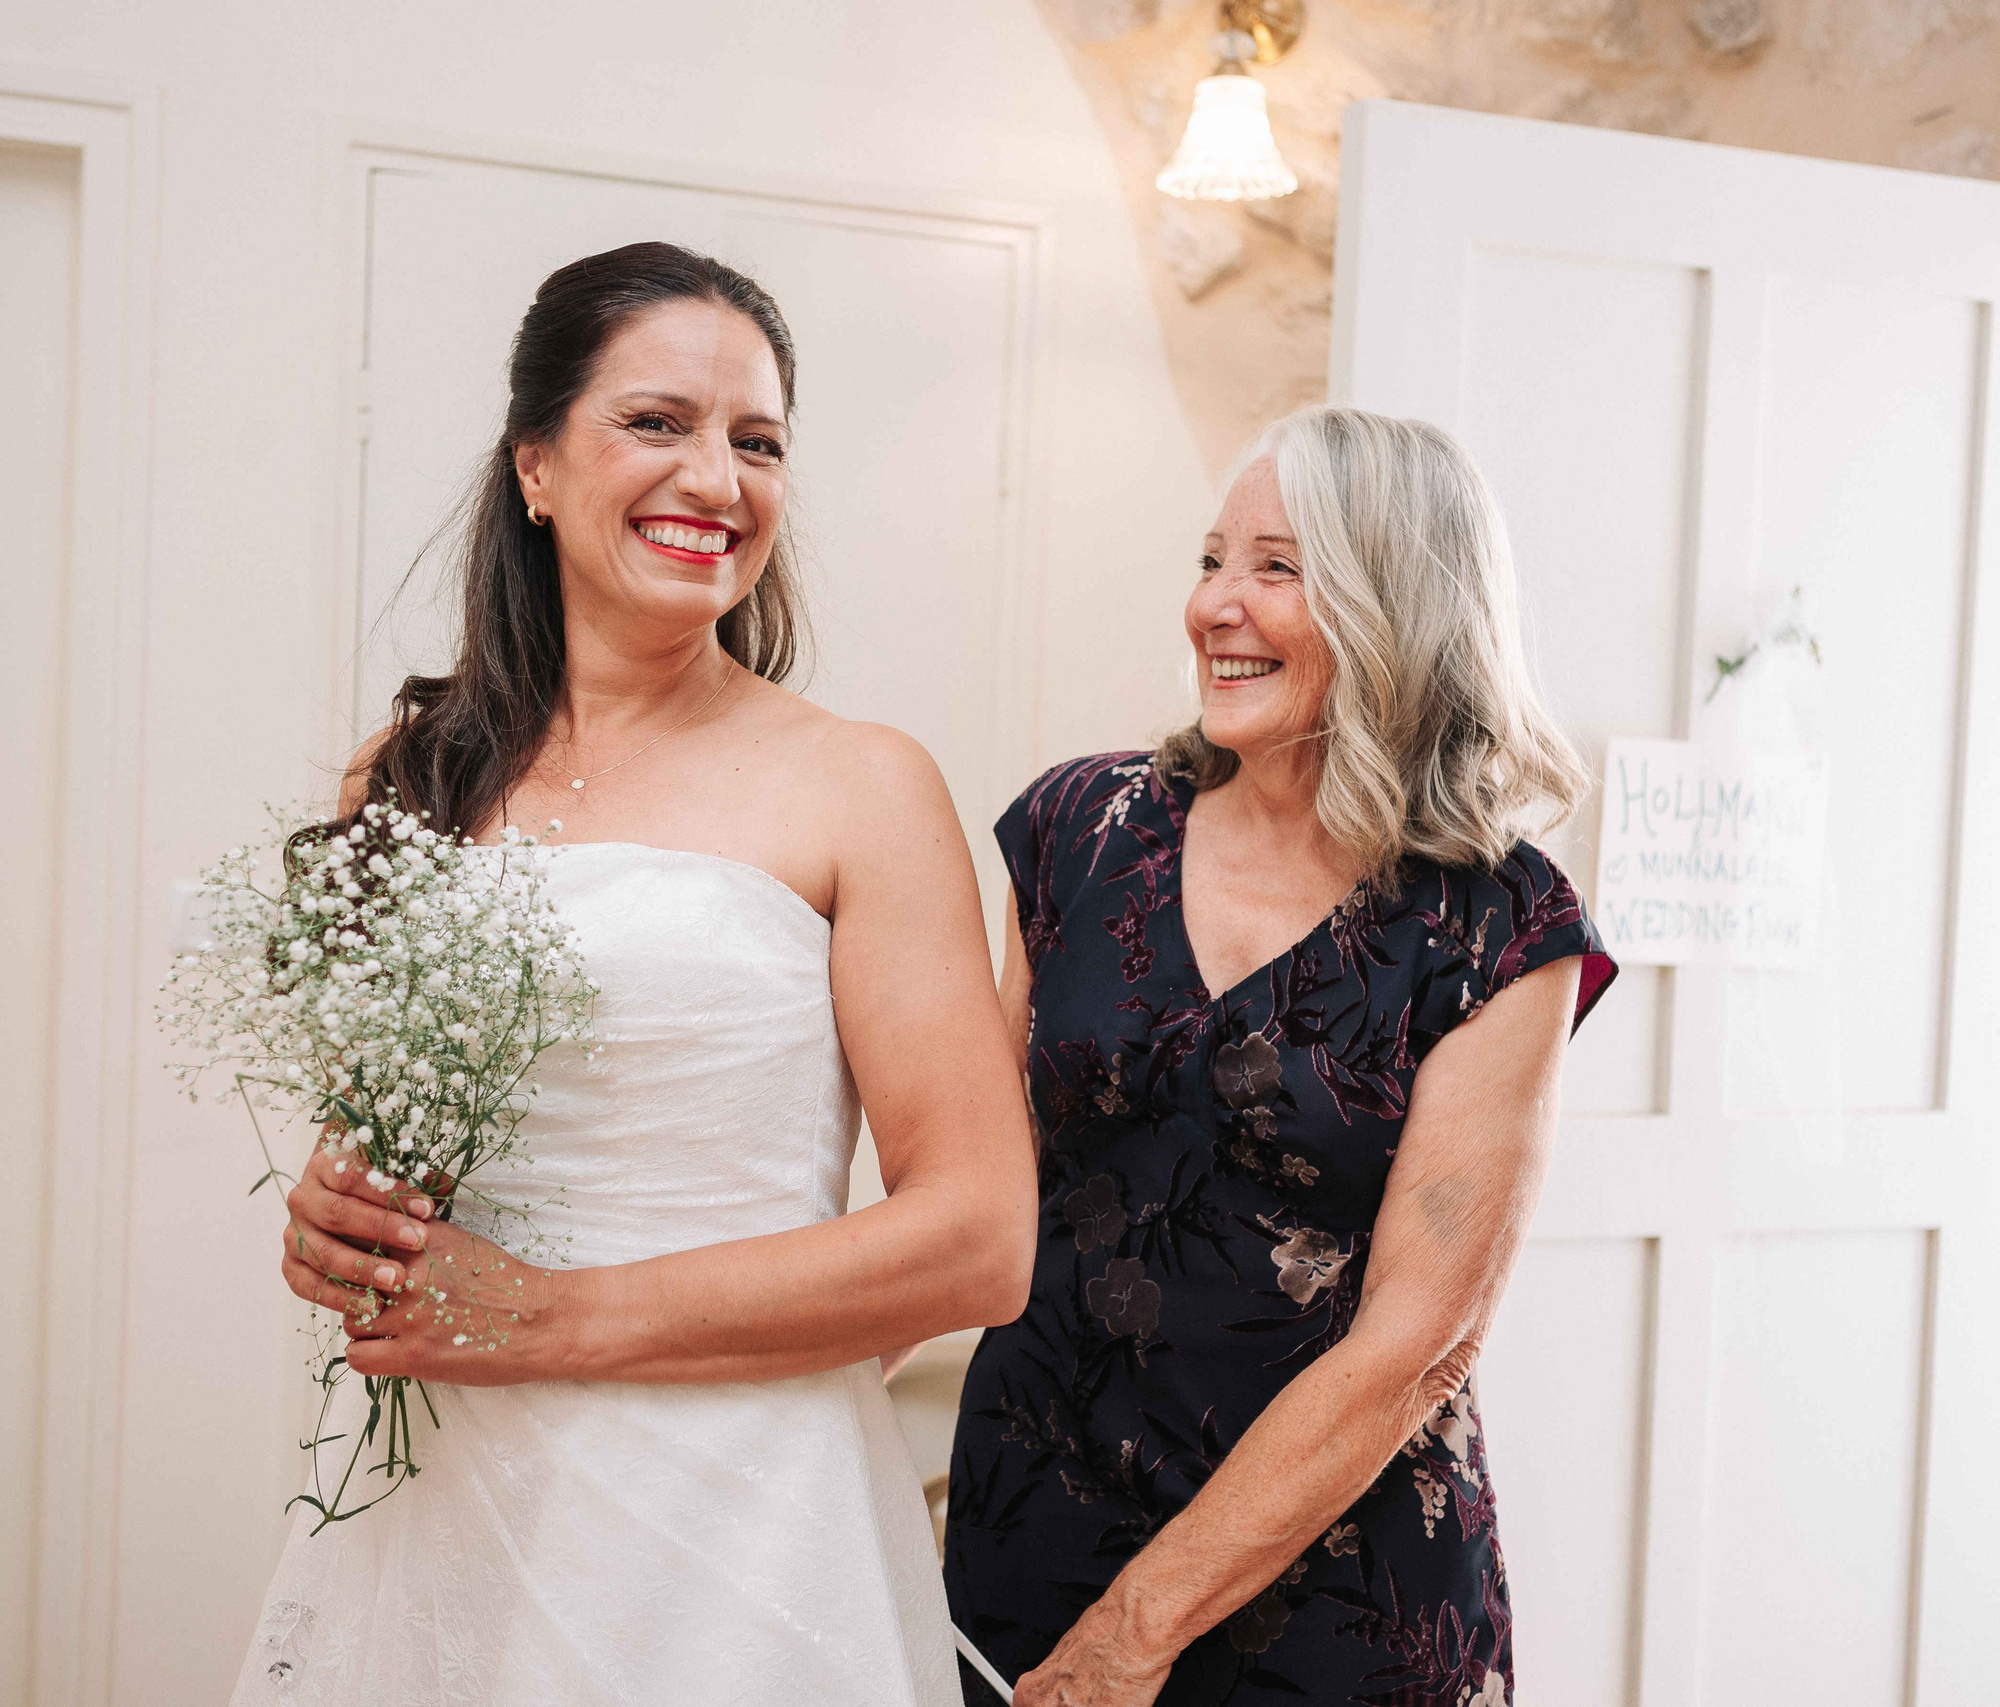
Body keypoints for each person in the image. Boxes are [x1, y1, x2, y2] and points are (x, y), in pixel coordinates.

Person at [234, 241, 1036, 1705]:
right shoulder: (406, 780)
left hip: (733, 1527)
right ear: (536, 464)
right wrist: (334, 1225)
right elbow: (390, 1161)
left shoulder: (862, 786)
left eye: (759, 443)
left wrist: (562, 1318)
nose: (717, 481)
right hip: (439, 1498)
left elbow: (978, 1238)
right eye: (656, 423)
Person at [944, 406, 1617, 1707]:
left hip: (1335, 1602)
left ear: (1395, 609)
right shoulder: (1079, 830)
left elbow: (1421, 1342)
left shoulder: (1496, 921)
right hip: (1030, 1533)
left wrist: (1136, 1634)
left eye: (1276, 568)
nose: (1214, 607)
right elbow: (978, 1190)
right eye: (1210, 562)